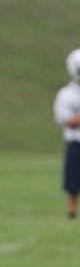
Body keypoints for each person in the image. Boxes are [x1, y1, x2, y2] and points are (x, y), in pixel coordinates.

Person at [52, 49, 80, 220]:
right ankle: (71, 212)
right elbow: (65, 119)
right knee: (73, 183)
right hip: (75, 143)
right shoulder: (66, 94)